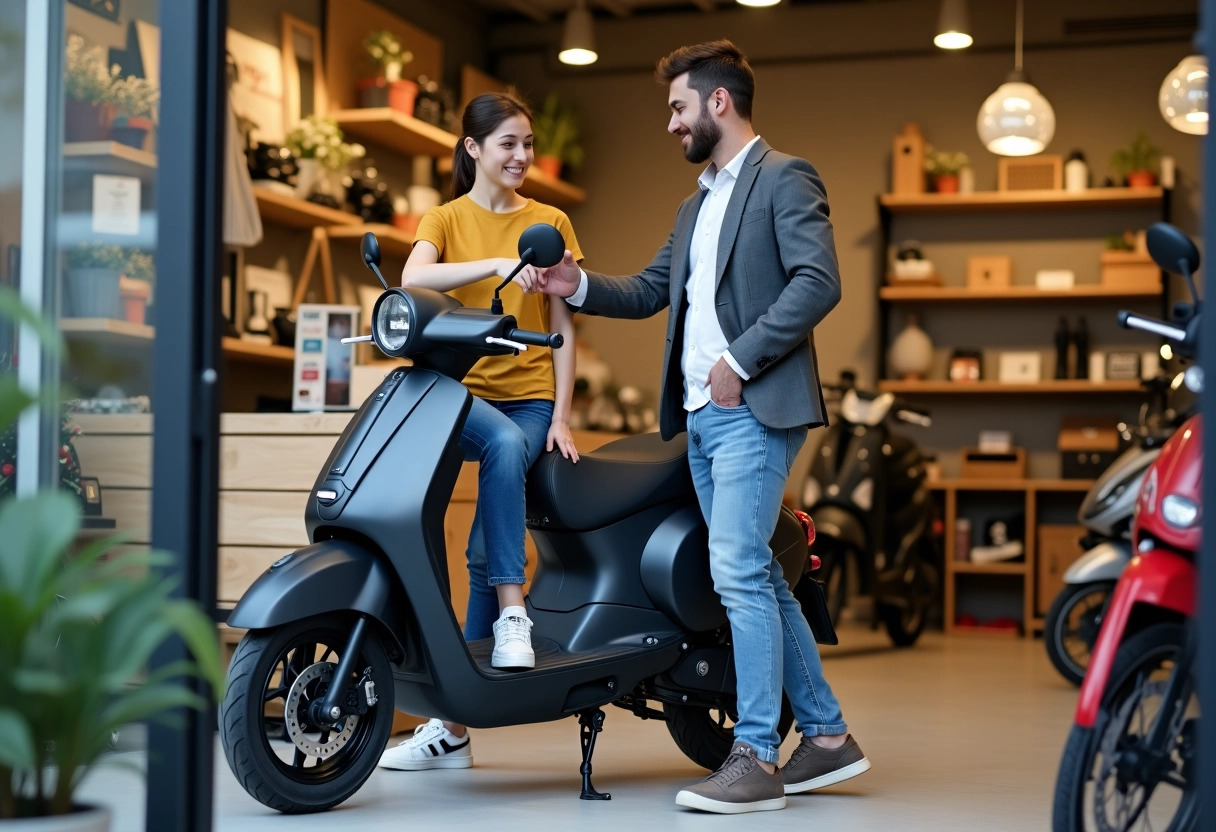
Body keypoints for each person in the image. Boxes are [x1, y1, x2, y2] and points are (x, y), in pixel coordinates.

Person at [535, 40, 869, 814]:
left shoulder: (784, 177)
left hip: (753, 407)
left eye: (678, 107)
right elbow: (654, 288)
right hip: (701, 420)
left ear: (720, 102)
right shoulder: (697, 204)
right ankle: (825, 737)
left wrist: (742, 361)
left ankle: (754, 756)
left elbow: (820, 281)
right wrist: (573, 283)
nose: (671, 123)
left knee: (739, 573)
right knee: (758, 575)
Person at [377, 92, 583, 773]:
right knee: (469, 478)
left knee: (478, 539)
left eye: (528, 143)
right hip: (455, 394)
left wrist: (560, 413)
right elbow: (413, 277)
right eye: (509, 144)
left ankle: (456, 719)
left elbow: (563, 324)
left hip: (524, 402)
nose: (523, 156)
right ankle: (501, 625)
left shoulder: (549, 222)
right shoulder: (446, 218)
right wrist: (492, 268)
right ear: (474, 149)